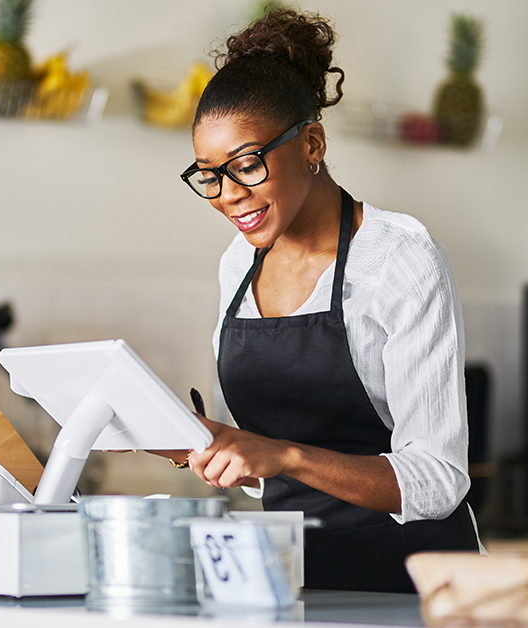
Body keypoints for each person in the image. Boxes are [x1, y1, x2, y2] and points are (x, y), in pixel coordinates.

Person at [172, 10, 481, 593]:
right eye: (208, 175)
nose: (228, 197)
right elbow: (267, 469)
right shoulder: (238, 266)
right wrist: (215, 447)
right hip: (298, 586)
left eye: (245, 165)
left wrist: (283, 456)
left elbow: (440, 479)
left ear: (311, 142)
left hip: (416, 588)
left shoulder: (399, 259)